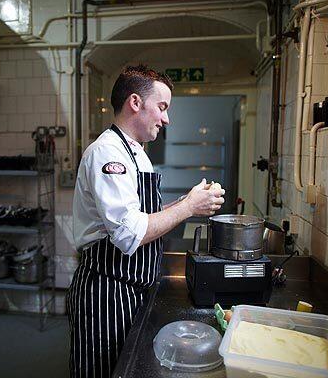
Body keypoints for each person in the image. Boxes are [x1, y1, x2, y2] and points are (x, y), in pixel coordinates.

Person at [67, 65, 225, 378]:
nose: (166, 119)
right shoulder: (107, 153)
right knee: (101, 371)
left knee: (125, 368)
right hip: (106, 290)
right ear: (136, 103)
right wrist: (189, 207)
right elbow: (130, 234)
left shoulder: (136, 152)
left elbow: (138, 216)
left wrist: (187, 202)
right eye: (162, 107)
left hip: (133, 285)